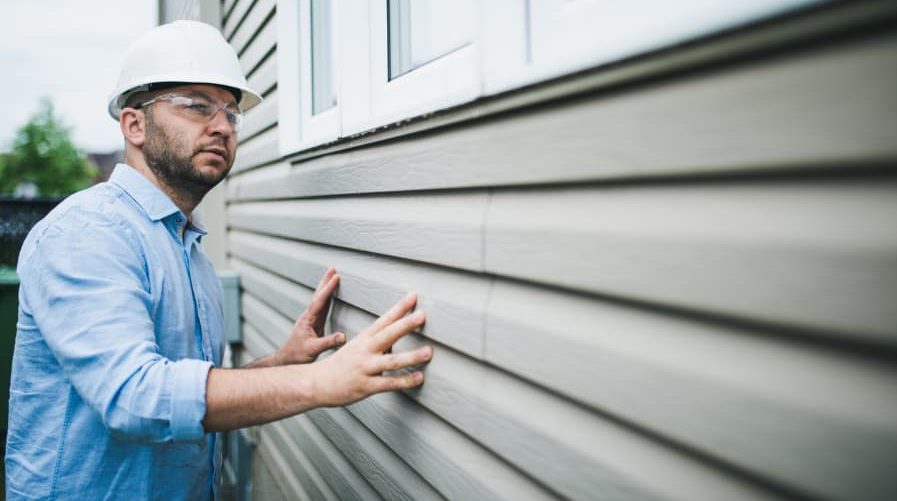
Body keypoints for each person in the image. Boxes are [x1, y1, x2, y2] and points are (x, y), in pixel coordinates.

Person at [4, 20, 433, 500]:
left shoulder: (187, 250)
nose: (222, 127)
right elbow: (136, 397)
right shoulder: (88, 233)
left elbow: (188, 396)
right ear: (134, 125)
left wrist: (280, 365)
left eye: (231, 113)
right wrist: (317, 381)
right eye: (196, 106)